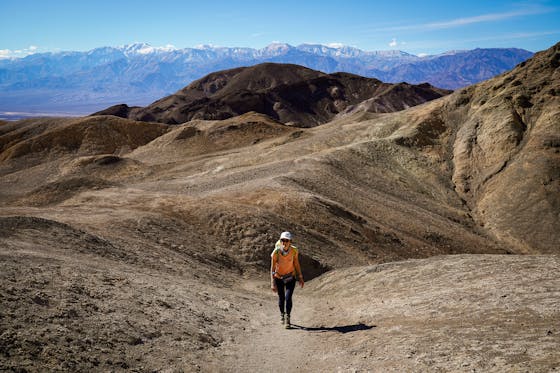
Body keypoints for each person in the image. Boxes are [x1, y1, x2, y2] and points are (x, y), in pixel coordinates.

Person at [270, 231, 304, 328]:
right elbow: (272, 268)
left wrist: (300, 277)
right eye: (282, 240)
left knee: (288, 297)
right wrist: (272, 282)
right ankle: (282, 314)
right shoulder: (276, 252)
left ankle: (287, 318)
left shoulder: (294, 251)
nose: (284, 242)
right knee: (282, 297)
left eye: (286, 240)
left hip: (290, 277)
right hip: (279, 277)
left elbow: (296, 263)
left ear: (290, 242)